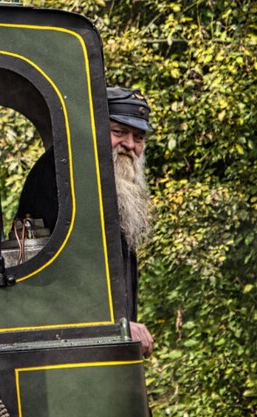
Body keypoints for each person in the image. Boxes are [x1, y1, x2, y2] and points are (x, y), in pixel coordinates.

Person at [15, 85, 155, 356]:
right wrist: (118, 326)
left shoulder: (112, 182)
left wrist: (124, 325)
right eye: (118, 132)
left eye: (138, 137)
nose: (130, 145)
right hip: (66, 344)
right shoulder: (62, 171)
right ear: (96, 129)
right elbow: (61, 272)